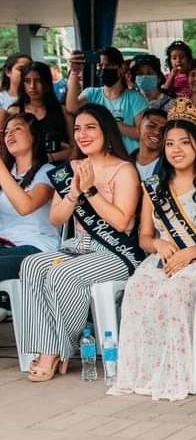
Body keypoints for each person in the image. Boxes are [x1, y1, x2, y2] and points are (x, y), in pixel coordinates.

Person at [110, 97, 196, 401]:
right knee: (137, 288)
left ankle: (178, 372)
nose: (176, 150)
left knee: (175, 292)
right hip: (165, 257)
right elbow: (144, 237)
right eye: (170, 144)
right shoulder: (154, 186)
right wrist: (158, 243)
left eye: (184, 143)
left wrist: (190, 253)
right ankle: (146, 372)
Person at [17, 103, 142, 382]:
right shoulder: (70, 169)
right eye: (77, 129)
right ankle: (51, 346)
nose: (82, 134)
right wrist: (73, 192)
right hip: (77, 248)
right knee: (31, 265)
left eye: (90, 128)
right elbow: (56, 218)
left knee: (61, 274)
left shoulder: (124, 170)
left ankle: (52, 351)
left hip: (114, 253)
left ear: (106, 131)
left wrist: (91, 191)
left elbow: (122, 223)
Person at [0, 113, 58, 281]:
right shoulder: (6, 173)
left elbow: (25, 207)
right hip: (5, 245)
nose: (9, 134)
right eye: (6, 132)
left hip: (36, 247)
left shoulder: (47, 172)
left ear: (34, 136)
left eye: (17, 129)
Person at [66, 46, 148, 154]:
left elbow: (142, 133)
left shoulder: (135, 98)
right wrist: (74, 72)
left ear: (121, 68)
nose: (104, 69)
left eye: (108, 65)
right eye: (100, 66)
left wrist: (113, 124)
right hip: (100, 157)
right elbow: (72, 108)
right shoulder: (91, 94)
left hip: (129, 156)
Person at [8, 61, 73, 163]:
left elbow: (75, 150)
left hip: (57, 168)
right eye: (27, 81)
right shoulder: (14, 112)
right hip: (23, 169)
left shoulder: (62, 111)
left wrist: (49, 158)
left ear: (47, 82)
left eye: (38, 81)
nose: (32, 86)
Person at [131, 108, 168, 181]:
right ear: (139, 129)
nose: (157, 132)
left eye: (163, 130)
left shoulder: (170, 167)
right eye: (151, 126)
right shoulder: (125, 163)